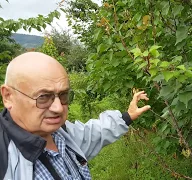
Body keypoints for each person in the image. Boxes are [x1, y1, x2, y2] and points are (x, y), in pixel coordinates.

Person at [0, 52, 151, 180]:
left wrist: (128, 116)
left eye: (63, 95)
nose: (58, 108)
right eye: (43, 97)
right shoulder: (4, 160)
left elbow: (92, 134)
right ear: (8, 96)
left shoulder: (61, 134)